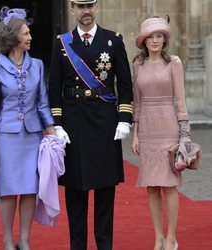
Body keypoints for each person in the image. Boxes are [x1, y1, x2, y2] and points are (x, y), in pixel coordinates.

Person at [48, 0, 133, 249]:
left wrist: (125, 119)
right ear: (72, 10)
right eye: (80, 6)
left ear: (96, 8)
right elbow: (54, 87)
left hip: (105, 124)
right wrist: (57, 123)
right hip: (73, 125)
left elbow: (125, 84)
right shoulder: (61, 43)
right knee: (75, 193)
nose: (86, 11)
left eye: (90, 6)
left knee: (105, 191)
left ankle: (104, 246)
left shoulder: (112, 40)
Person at [0, 6, 54, 250]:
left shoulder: (38, 65)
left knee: (30, 189)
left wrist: (53, 132)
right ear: (13, 38)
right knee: (9, 190)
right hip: (6, 137)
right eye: (25, 33)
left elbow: (43, 102)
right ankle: (6, 240)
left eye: (29, 33)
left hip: (32, 135)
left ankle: (24, 239)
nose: (30, 37)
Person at [132, 16, 192, 250]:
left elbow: (181, 100)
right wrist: (136, 134)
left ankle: (171, 238)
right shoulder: (137, 64)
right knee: (152, 186)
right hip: (147, 130)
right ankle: (157, 238)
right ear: (144, 40)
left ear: (164, 40)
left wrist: (184, 134)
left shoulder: (174, 62)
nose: (155, 40)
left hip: (168, 128)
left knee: (168, 185)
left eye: (159, 36)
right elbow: (137, 102)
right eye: (151, 36)